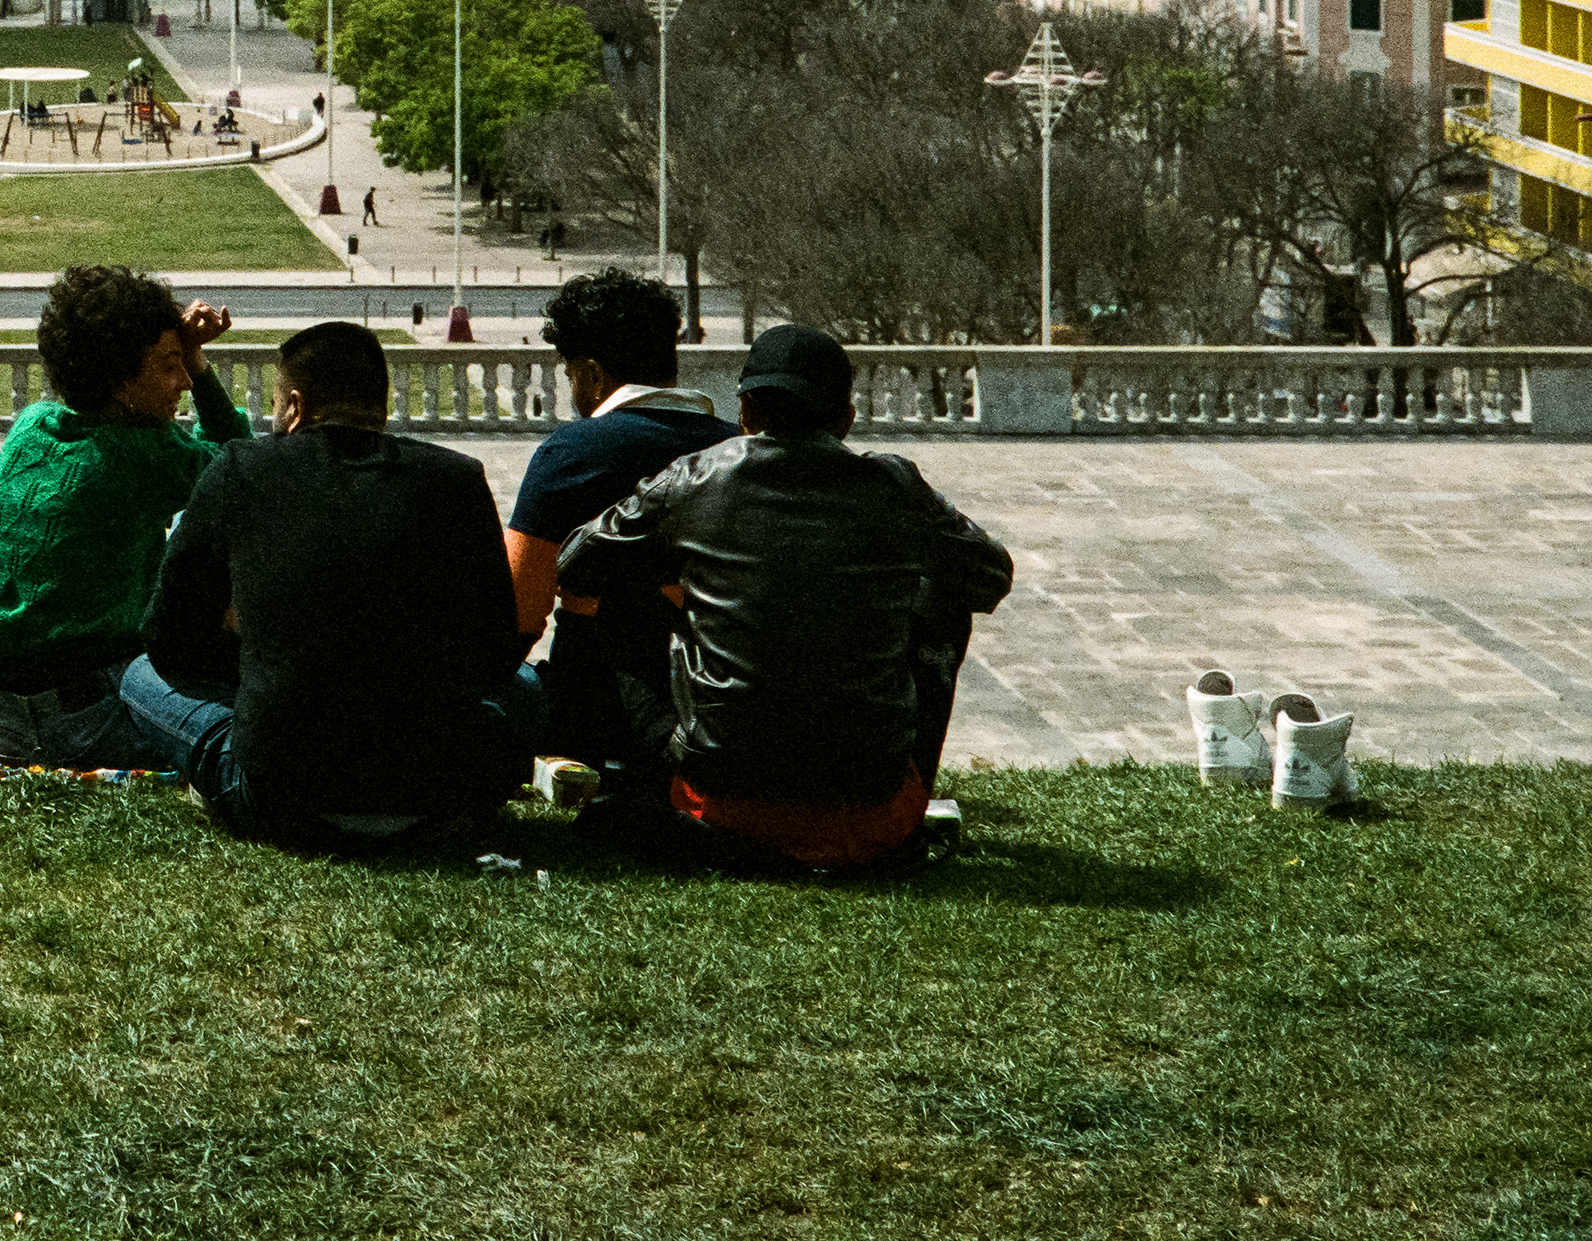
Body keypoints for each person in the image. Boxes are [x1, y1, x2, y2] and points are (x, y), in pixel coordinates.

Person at [556, 325, 1015, 872]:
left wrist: (684, 574)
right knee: (940, 602)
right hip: (868, 788)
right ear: (846, 419)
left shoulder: (694, 478)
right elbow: (989, 575)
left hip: (720, 783)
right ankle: (899, 803)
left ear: (745, 411)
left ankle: (648, 783)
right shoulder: (893, 487)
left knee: (625, 599)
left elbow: (576, 564)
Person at [118, 322, 529, 849]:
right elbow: (495, 653)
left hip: (279, 798)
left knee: (138, 676)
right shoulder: (457, 478)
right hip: (438, 796)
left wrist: (266, 667)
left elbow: (169, 638)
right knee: (528, 691)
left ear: (293, 405)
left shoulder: (241, 468)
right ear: (379, 404)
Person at [0, 268, 252, 769]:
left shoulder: (33, 426)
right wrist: (202, 368)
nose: (180, 380)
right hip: (80, 727)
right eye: (168, 365)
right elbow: (241, 470)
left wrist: (182, 356)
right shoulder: (139, 453)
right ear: (119, 382)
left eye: (182, 364)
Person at [502, 270, 731, 793]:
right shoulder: (736, 449)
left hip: (599, 708)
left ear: (592, 374)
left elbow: (517, 616)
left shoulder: (571, 455)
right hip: (724, 701)